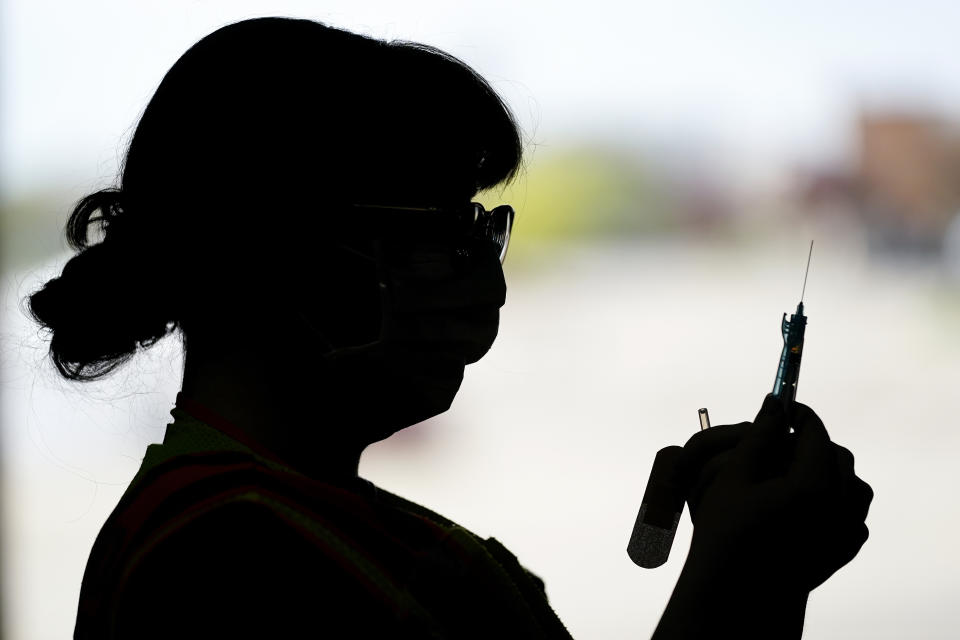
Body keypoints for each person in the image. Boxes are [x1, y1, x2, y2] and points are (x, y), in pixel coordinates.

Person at [24, 17, 872, 639]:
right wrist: (745, 579)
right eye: (435, 233)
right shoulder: (231, 569)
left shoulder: (278, 519)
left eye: (479, 229)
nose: (479, 273)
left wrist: (753, 566)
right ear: (270, 253)